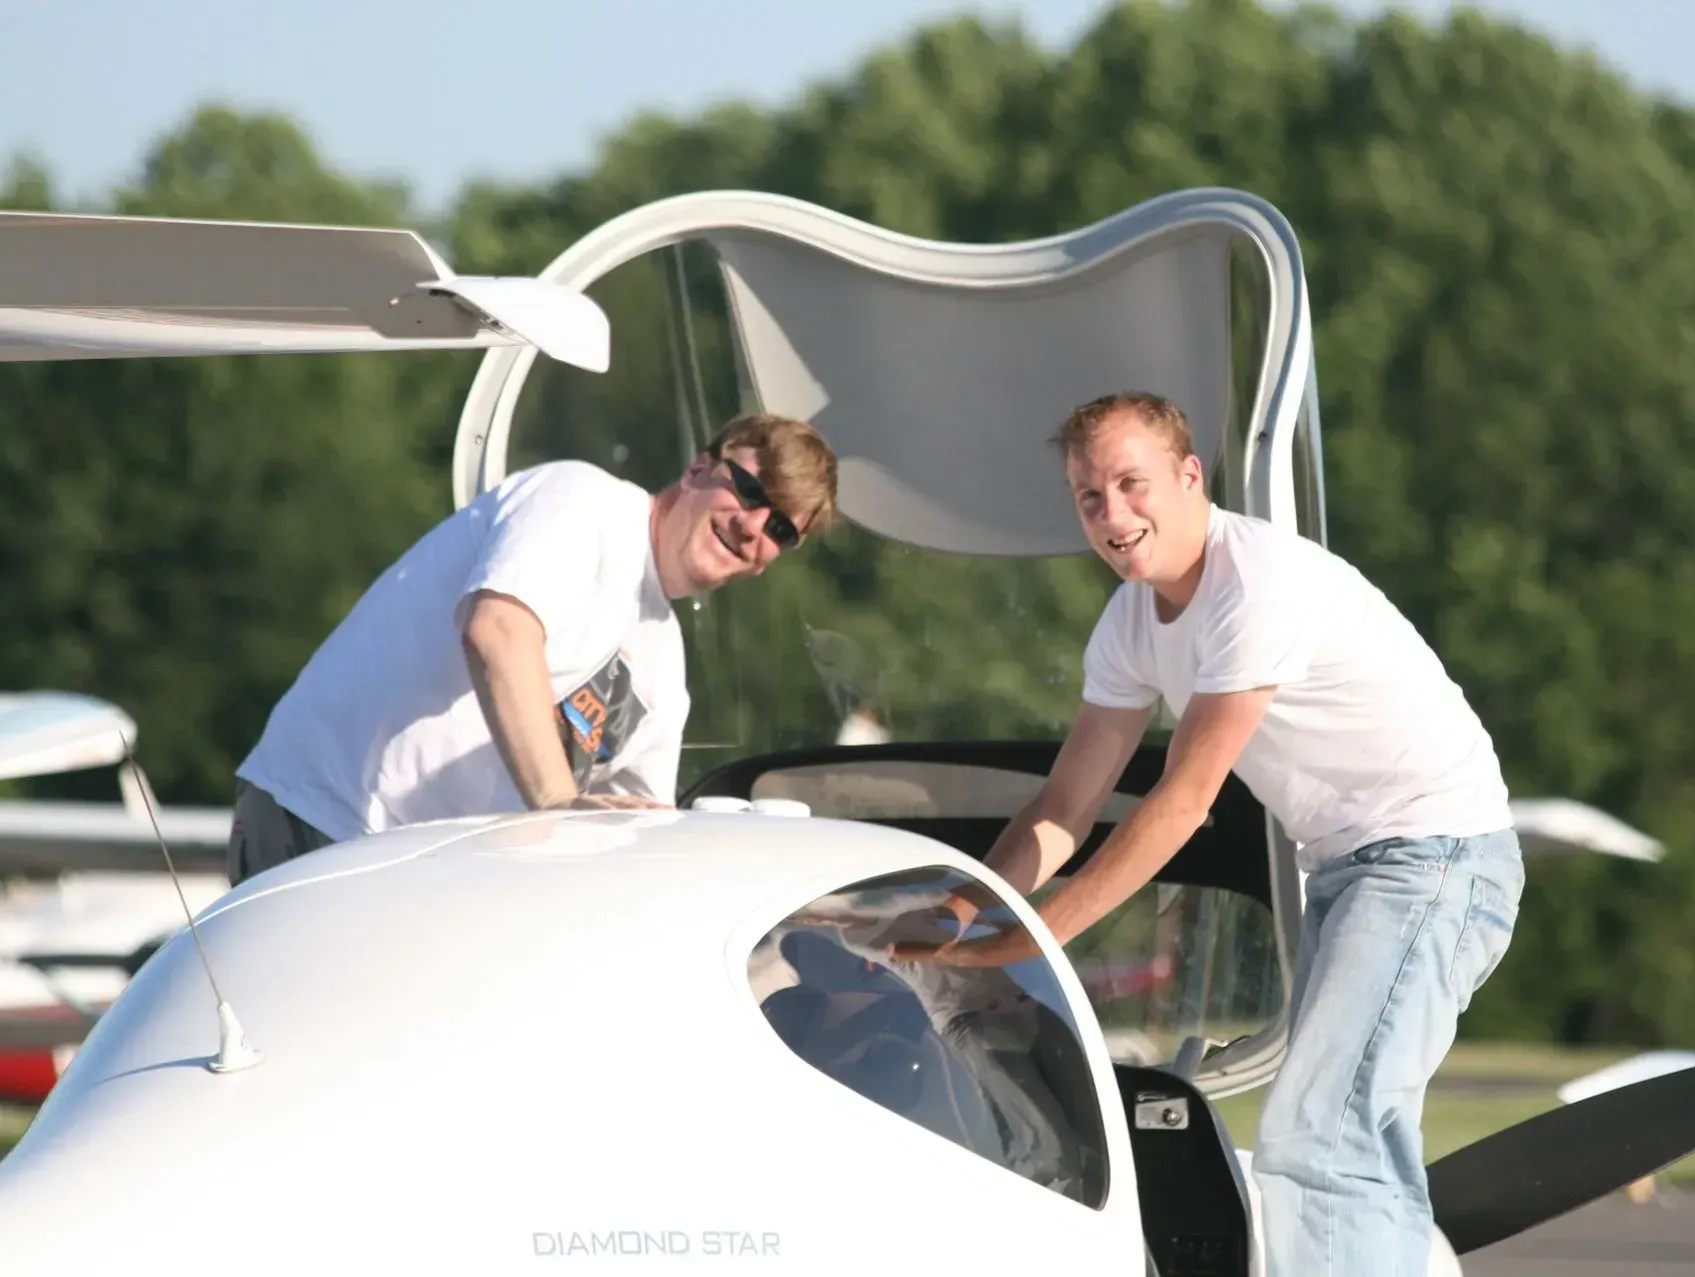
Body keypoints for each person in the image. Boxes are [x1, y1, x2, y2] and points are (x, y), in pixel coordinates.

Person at [896, 391, 1522, 1276]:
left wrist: (1029, 944)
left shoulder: (1255, 585)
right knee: (1343, 1136)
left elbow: (1185, 800)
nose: (1113, 515)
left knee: (1323, 1129)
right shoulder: (1128, 624)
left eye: (1130, 483)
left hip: (1435, 856)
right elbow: (1063, 808)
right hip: (1347, 868)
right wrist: (964, 908)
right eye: (1089, 497)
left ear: (1191, 476)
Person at [226, 412, 838, 884]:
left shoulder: (664, 670)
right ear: (698, 469)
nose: (753, 526)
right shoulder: (582, 501)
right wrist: (556, 801)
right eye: (752, 493)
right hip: (327, 822)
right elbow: (497, 631)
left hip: (428, 888)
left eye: (781, 528)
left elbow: (634, 836)